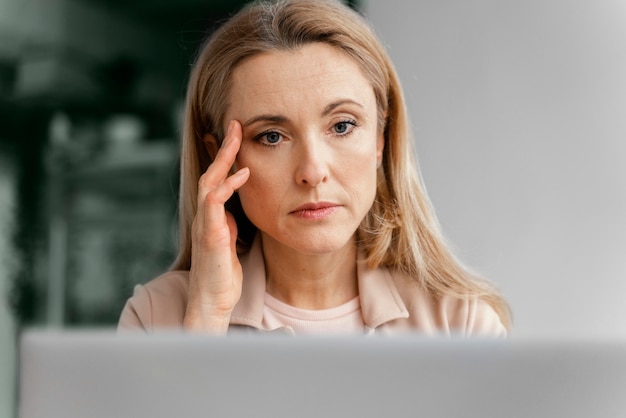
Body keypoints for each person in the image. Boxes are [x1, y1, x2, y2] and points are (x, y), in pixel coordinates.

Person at [118, 0, 511, 336]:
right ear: (218, 156)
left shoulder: (462, 325)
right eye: (271, 136)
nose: (312, 171)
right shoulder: (156, 318)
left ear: (380, 139)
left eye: (342, 126)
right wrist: (206, 316)